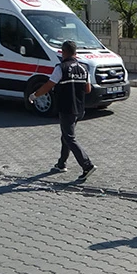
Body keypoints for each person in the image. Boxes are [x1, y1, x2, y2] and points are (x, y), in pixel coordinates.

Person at [29, 40, 97, 182]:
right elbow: (88, 89)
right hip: (79, 109)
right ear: (75, 52)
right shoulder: (84, 67)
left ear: (64, 52)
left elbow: (48, 85)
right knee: (66, 135)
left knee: (69, 138)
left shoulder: (61, 68)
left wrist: (34, 95)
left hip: (67, 108)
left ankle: (87, 165)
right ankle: (61, 164)